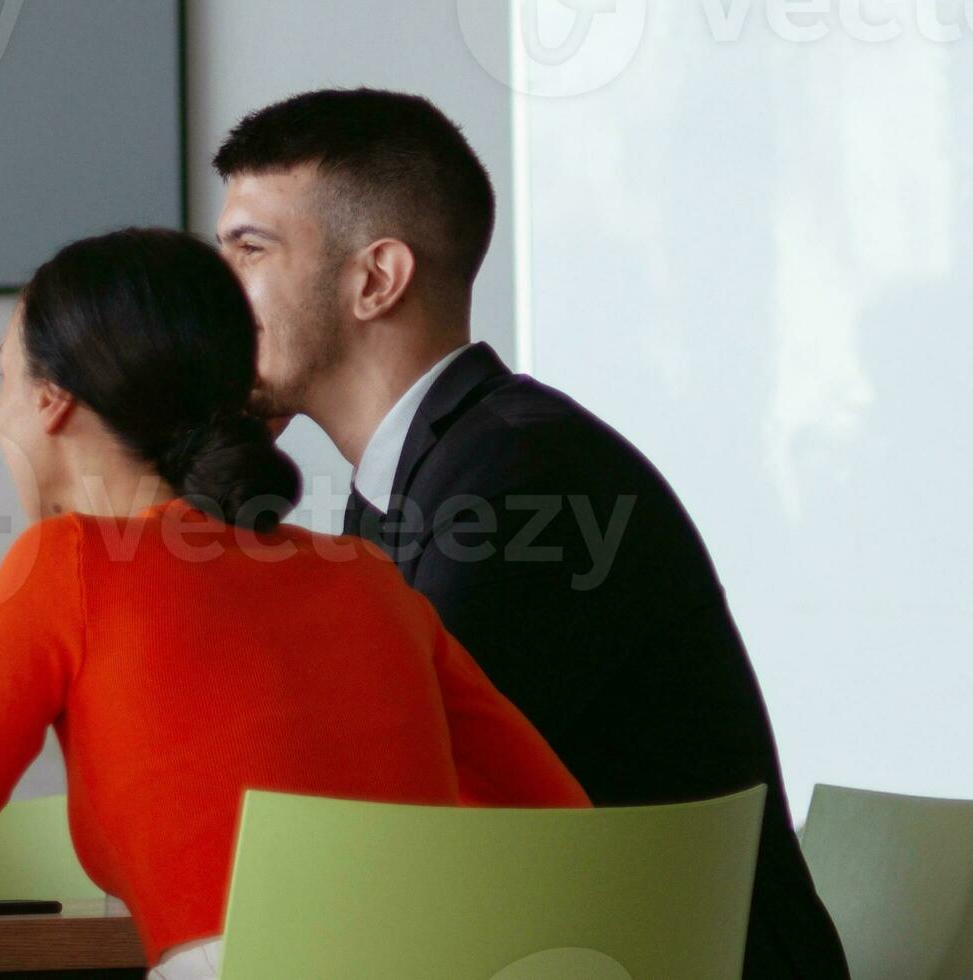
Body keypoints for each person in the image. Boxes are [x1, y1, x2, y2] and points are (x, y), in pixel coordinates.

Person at [211, 88, 843, 979]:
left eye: (247, 252)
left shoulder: (524, 480)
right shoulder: (423, 477)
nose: (213, 297)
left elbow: (382, 813)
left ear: (374, 279)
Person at [0, 228, 589, 980]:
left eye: (2, 378)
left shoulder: (67, 567)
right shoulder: (367, 577)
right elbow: (559, 830)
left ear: (50, 399)